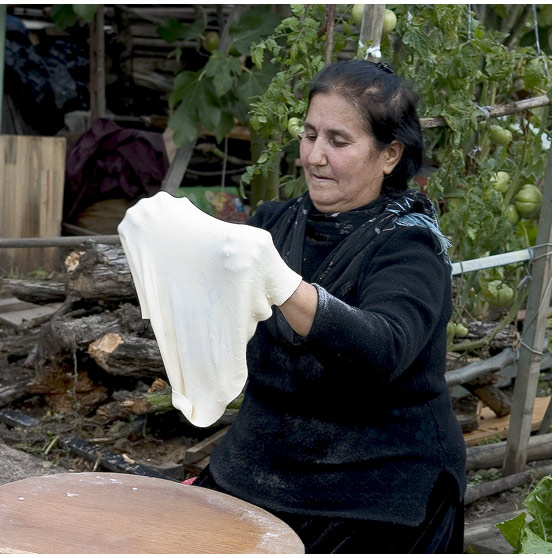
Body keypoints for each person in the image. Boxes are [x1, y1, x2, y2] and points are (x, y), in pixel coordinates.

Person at [192, 59, 467, 553]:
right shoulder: (274, 224)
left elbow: (382, 347)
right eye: (309, 134)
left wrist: (282, 284)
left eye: (338, 142)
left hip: (376, 490)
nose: (315, 156)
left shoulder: (409, 248)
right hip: (261, 468)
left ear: (390, 155)